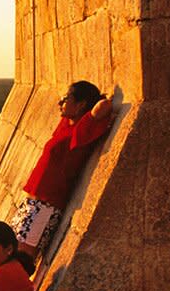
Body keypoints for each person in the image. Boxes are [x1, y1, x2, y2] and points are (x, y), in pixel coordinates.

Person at [12, 81, 113, 257]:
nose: (60, 102)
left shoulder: (81, 130)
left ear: (81, 104)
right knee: (10, 251)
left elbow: (104, 106)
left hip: (46, 206)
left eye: (66, 99)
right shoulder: (67, 126)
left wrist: (101, 98)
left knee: (22, 257)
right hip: (32, 203)